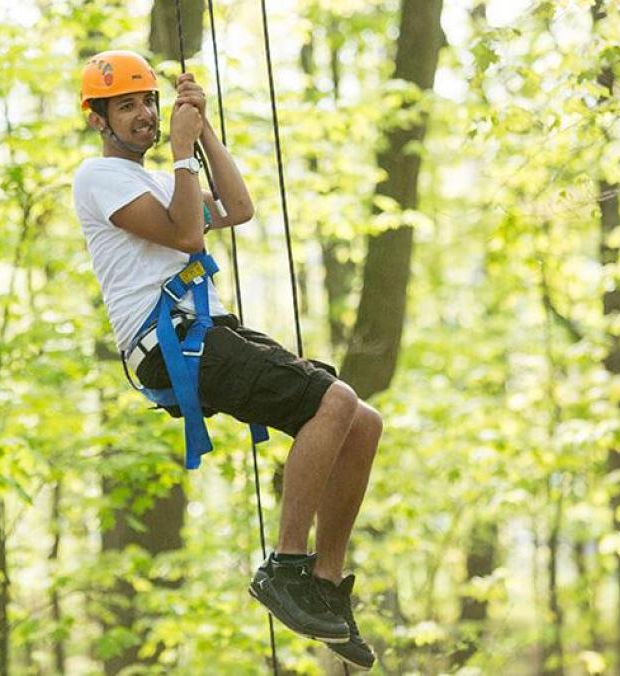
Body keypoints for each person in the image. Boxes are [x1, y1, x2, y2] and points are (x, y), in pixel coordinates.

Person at [71, 50, 380, 670]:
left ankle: (322, 579)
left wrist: (203, 129)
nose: (144, 114)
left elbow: (237, 209)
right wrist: (183, 153)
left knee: (361, 421)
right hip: (169, 344)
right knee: (334, 401)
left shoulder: (164, 181)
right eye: (126, 105)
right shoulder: (99, 178)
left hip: (205, 330)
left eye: (149, 101)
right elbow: (187, 235)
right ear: (98, 120)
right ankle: (284, 567)